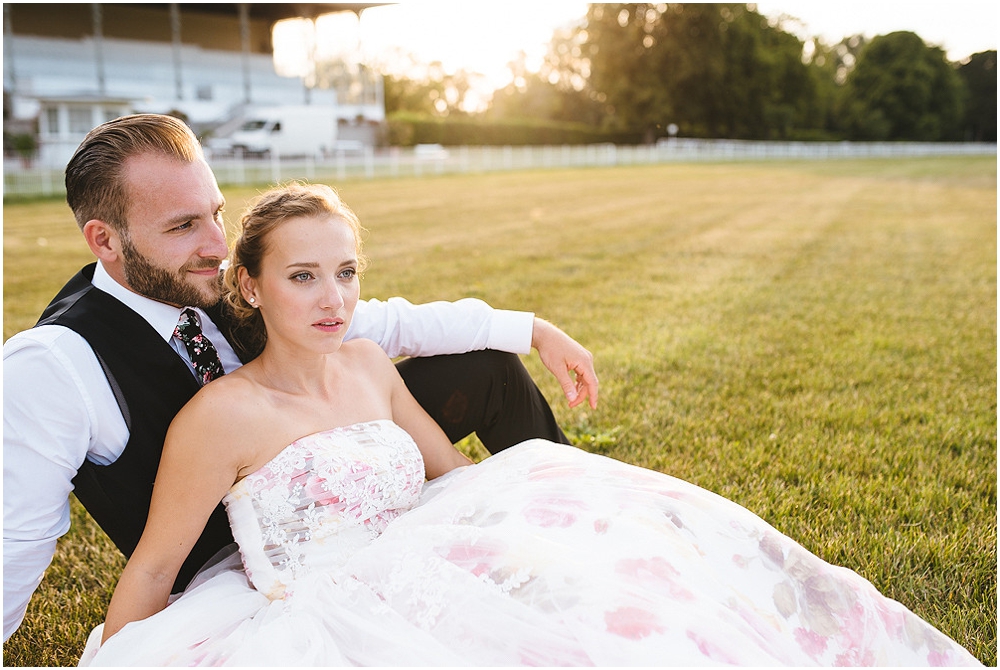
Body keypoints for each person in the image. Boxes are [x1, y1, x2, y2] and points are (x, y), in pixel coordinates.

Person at [80, 183, 980, 666]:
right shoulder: (222, 416)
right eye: (303, 276)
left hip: (424, 562)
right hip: (316, 613)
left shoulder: (361, 363)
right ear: (252, 285)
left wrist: (572, 515)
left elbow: (453, 479)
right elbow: (156, 565)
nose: (333, 298)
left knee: (639, 599)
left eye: (346, 273)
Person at [2, 114, 599, 642]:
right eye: (183, 225)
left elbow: (385, 322)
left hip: (332, 454)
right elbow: (14, 539)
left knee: (489, 367)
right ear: (103, 239)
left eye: (216, 213)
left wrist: (533, 330)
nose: (216, 245)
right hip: (226, 555)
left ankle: (584, 520)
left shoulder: (228, 280)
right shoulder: (54, 364)